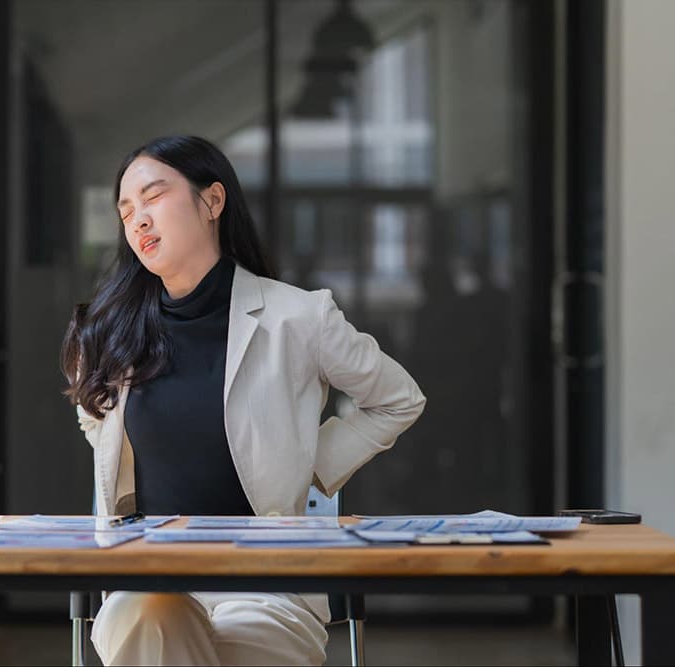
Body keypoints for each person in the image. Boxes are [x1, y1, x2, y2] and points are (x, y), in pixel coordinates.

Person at [60, 135, 426, 666]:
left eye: (153, 197)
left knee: (216, 641)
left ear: (212, 202)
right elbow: (95, 420)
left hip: (266, 583)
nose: (138, 220)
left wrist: (309, 462)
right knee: (153, 612)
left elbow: (397, 399)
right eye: (126, 210)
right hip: (145, 577)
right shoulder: (107, 332)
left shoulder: (298, 318)